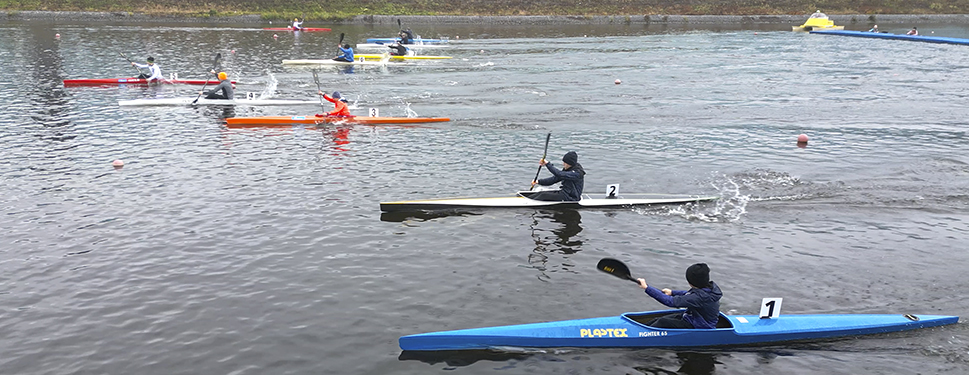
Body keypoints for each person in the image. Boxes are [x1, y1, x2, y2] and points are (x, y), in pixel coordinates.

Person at [637, 263, 722, 329]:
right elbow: (689, 294)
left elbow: (670, 301)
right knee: (659, 319)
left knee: (663, 322)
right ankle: (640, 329)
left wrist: (647, 288)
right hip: (694, 318)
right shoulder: (708, 288)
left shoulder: (699, 297)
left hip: (701, 325)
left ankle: (641, 335)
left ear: (691, 282)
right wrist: (672, 292)